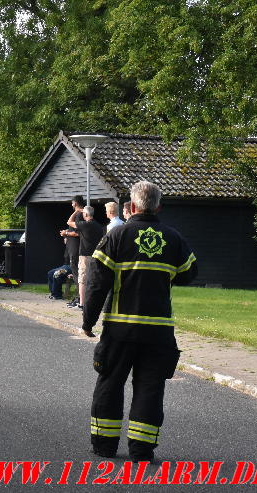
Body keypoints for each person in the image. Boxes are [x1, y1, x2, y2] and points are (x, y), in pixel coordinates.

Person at [83, 181, 197, 463]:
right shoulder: (173, 238)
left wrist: (89, 320)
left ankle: (105, 446)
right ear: (158, 206)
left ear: (132, 207)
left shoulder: (117, 236)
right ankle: (141, 450)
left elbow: (98, 283)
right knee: (150, 387)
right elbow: (189, 273)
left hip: (120, 330)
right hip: (158, 332)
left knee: (110, 384)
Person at [67, 205, 104, 311]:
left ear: (86, 214)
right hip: (96, 255)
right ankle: (91, 302)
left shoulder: (84, 225)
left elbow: (69, 222)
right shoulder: (98, 226)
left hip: (85, 255)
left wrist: (76, 212)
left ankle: (82, 304)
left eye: (83, 213)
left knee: (82, 280)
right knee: (93, 279)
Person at [60, 195, 85, 306]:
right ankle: (79, 297)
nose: (71, 205)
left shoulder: (79, 214)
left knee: (76, 273)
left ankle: (80, 298)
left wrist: (66, 233)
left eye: (72, 203)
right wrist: (66, 232)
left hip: (75, 249)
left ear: (75, 203)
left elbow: (78, 232)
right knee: (76, 273)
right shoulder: (80, 214)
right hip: (73, 247)